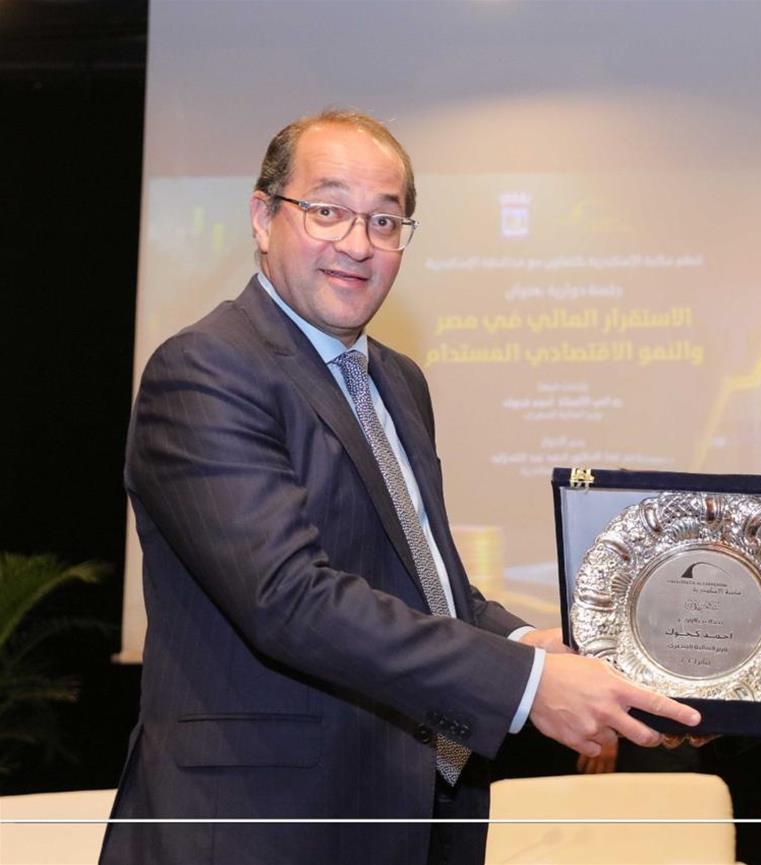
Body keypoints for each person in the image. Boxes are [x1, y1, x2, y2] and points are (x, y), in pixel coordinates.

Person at [99, 109, 698, 865]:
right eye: (327, 211)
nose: (358, 244)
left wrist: (533, 642)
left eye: (385, 221)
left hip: (408, 811)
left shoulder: (396, 379)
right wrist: (527, 683)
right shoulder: (206, 369)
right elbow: (289, 598)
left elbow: (425, 584)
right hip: (261, 824)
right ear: (262, 217)